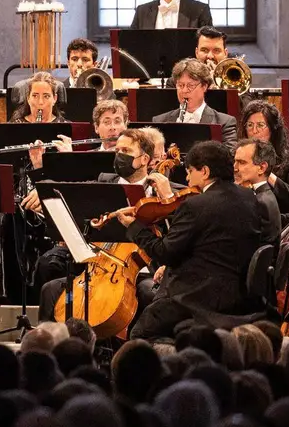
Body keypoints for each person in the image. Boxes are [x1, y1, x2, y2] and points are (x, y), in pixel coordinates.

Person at [113, 141, 266, 340]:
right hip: (240, 297)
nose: (186, 177)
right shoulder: (248, 197)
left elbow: (164, 252)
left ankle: (175, 365)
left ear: (204, 171)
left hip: (199, 299)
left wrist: (135, 228)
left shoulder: (195, 205)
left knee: (141, 332)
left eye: (190, 170)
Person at [36, 129, 165, 321]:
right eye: (117, 150)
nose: (119, 156)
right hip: (100, 265)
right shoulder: (104, 182)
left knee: (149, 293)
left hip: (140, 270)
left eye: (126, 151)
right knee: (50, 290)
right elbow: (68, 192)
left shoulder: (161, 191)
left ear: (145, 159)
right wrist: (43, 189)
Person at [153, 59, 238, 150]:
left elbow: (229, 156)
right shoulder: (160, 121)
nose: (184, 91)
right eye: (180, 85)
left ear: (204, 86)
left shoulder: (225, 123)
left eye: (190, 86)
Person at [239, 99, 289, 216]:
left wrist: (266, 174)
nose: (254, 131)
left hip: (277, 220)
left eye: (260, 125)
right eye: (250, 125)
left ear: (273, 129)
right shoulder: (236, 158)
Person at [233, 139, 281, 237]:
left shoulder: (258, 202)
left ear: (262, 168)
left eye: (241, 162)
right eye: (235, 161)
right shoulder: (264, 196)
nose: (235, 167)